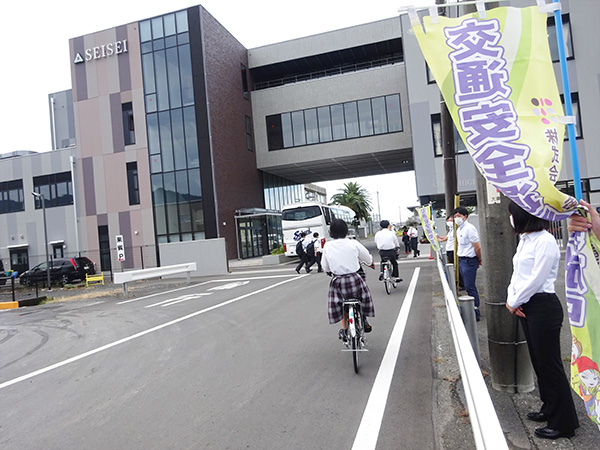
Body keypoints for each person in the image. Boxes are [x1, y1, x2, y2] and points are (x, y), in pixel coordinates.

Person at [505, 201, 579, 440]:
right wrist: (512, 299)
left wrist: (515, 301)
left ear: (524, 217)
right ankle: (549, 408)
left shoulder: (545, 241)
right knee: (539, 363)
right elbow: (517, 274)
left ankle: (564, 423)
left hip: (543, 306)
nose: (511, 220)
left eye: (512, 216)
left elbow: (537, 278)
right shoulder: (526, 239)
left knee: (550, 365)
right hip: (526, 304)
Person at [321, 219, 375, 341]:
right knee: (362, 298)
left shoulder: (327, 246)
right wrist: (370, 262)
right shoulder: (353, 243)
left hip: (338, 282)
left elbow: (325, 266)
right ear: (346, 230)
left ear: (331, 232)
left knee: (340, 304)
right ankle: (364, 320)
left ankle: (345, 330)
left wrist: (329, 271)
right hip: (354, 279)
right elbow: (366, 256)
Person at [453, 206, 482, 320]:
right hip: (462, 260)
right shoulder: (459, 229)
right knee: (467, 286)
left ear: (465, 217)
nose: (456, 218)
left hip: (469, 260)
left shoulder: (470, 228)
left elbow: (477, 247)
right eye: (455, 216)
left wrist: (479, 259)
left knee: (470, 287)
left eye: (459, 216)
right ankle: (472, 310)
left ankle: (475, 311)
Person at [437, 216, 464, 289]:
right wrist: (439, 238)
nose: (449, 222)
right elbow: (447, 238)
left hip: (453, 250)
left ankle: (461, 284)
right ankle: (456, 282)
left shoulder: (456, 229)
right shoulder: (451, 230)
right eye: (448, 221)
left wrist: (440, 239)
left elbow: (449, 238)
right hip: (449, 250)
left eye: (451, 220)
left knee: (456, 267)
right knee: (453, 267)